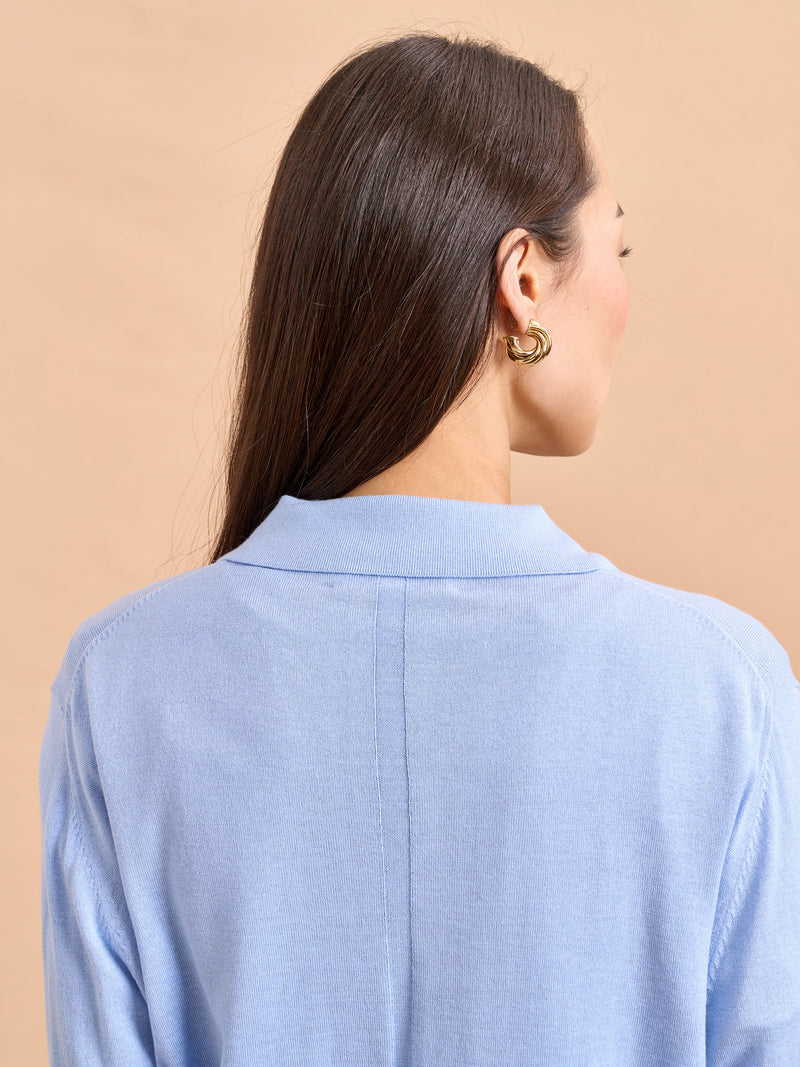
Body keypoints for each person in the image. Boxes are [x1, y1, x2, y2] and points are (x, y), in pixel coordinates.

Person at [39, 29, 800, 1066]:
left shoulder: (119, 681)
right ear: (522, 278)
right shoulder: (722, 687)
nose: (624, 295)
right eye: (614, 249)